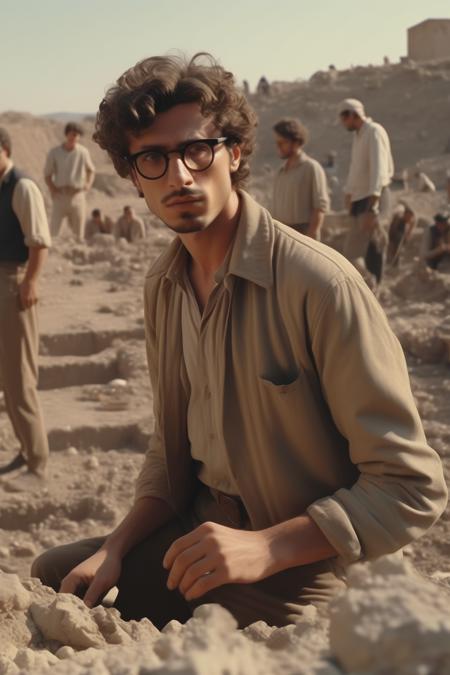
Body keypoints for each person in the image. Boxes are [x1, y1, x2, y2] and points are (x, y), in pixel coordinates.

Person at [32, 54, 447, 630]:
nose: (179, 177)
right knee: (60, 577)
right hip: (200, 543)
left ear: (235, 152)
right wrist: (119, 545)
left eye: (196, 151)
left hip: (308, 568)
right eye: (153, 158)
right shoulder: (164, 284)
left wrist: (267, 549)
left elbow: (411, 487)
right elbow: (170, 453)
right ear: (132, 176)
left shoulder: (319, 286)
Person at [0, 127, 51, 478]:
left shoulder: (22, 186)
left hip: (14, 281)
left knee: (20, 379)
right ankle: (24, 450)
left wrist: (30, 281)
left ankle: (37, 463)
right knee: (7, 378)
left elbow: (39, 242)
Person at [339, 98, 394, 285]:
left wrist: (373, 207)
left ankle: (376, 289)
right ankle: (365, 288)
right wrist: (349, 193)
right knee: (352, 252)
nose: (343, 123)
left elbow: (378, 169)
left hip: (373, 198)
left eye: (344, 118)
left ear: (352, 114)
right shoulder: (359, 135)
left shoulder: (374, 131)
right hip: (360, 198)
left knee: (374, 247)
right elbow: (357, 169)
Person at [272, 118, 329, 240]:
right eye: (277, 143)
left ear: (296, 142)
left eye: (282, 143)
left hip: (303, 234)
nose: (279, 147)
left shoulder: (311, 168)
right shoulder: (280, 172)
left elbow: (320, 206)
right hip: (282, 235)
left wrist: (311, 236)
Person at [44, 122, 95, 241]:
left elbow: (91, 170)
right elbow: (47, 174)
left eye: (77, 135)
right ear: (66, 134)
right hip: (60, 196)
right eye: (72, 134)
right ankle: (52, 256)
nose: (74, 137)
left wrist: (88, 185)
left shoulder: (83, 152)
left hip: (77, 196)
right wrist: (52, 189)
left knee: (79, 234)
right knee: (53, 232)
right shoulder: (54, 152)